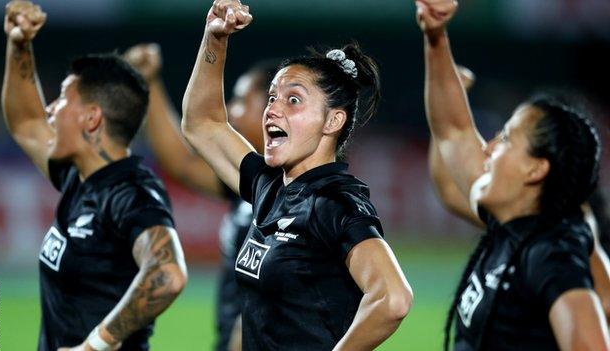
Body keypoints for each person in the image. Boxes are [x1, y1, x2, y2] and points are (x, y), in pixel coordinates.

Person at [180, 1, 414, 350]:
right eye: (272, 97)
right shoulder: (270, 188)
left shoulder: (334, 203)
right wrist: (215, 38)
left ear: (332, 121)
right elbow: (202, 123)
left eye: (293, 100)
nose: (272, 108)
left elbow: (393, 298)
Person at [416, 0, 610, 350]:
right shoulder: (511, 226)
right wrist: (435, 37)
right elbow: (454, 131)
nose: (488, 147)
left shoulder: (551, 253)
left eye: (505, 138)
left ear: (536, 168)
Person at [1, 2, 187, 350]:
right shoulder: (79, 176)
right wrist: (19, 45)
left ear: (91, 119)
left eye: (61, 99)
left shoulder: (131, 193)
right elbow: (26, 122)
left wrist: (96, 345)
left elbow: (168, 274)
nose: (49, 110)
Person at [123, 43, 277, 351]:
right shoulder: (250, 184)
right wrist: (149, 82)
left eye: (241, 100)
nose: (231, 110)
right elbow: (183, 163)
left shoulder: (297, 194)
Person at [429, 68, 610, 323]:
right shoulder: (533, 211)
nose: (493, 146)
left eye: (509, 138)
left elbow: (606, 303)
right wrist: (445, 108)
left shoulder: (565, 220)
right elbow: (450, 186)